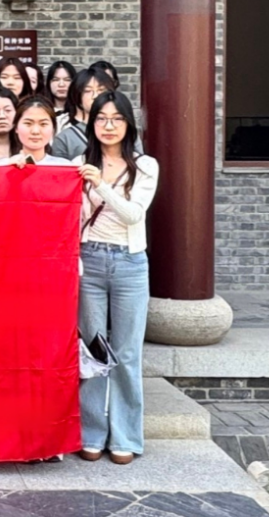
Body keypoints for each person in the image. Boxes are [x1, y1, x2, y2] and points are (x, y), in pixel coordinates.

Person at [77, 91, 158, 466]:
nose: (108, 126)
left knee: (126, 353)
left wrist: (100, 185)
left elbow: (133, 214)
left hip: (129, 263)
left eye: (117, 118)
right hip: (89, 261)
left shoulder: (145, 166)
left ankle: (125, 436)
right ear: (91, 123)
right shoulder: (79, 163)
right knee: (92, 352)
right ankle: (91, 432)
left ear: (128, 123)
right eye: (101, 118)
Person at [51, 66, 118, 161]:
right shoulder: (64, 136)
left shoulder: (124, 129)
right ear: (77, 95)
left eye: (101, 90)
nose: (95, 96)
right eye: (88, 91)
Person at [4, 95, 71, 167]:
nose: (35, 131)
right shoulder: (2, 165)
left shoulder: (64, 166)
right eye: (28, 123)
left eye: (43, 124)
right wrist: (7, 170)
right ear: (16, 127)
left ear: (53, 128)